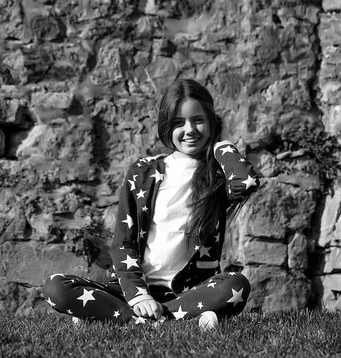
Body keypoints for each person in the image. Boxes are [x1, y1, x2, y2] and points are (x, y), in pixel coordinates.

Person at [43, 78, 260, 327]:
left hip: (187, 293)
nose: (189, 130)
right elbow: (122, 243)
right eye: (179, 123)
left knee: (236, 285)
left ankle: (126, 319)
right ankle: (156, 320)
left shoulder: (218, 177)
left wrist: (220, 146)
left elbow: (247, 182)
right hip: (130, 291)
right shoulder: (142, 172)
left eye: (198, 120)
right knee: (56, 287)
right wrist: (139, 295)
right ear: (167, 127)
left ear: (211, 120)